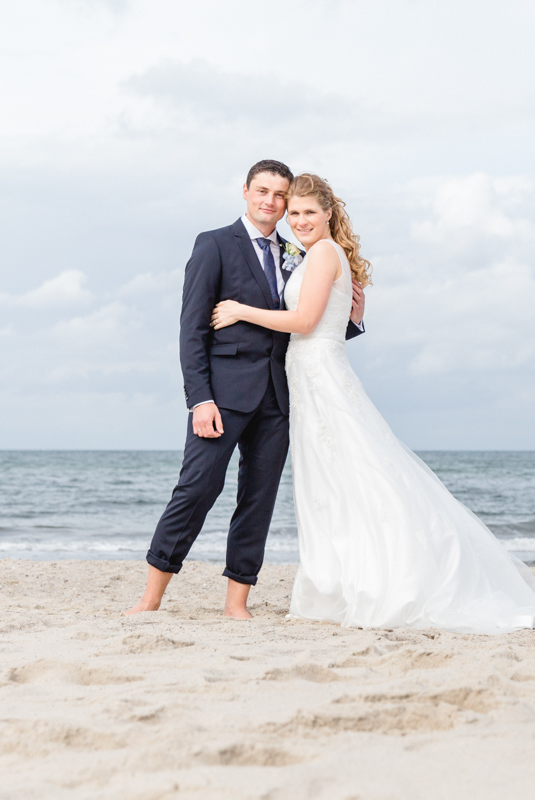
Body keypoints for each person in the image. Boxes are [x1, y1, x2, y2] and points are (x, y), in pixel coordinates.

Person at [210, 174, 535, 634]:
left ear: (329, 212)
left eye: (309, 211)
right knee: (332, 483)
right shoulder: (314, 256)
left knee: (358, 476)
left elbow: (305, 320)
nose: (300, 220)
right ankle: (339, 583)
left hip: (321, 374)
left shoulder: (325, 254)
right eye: (295, 213)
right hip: (307, 379)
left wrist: (240, 310)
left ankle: (379, 580)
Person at [125, 160, 366, 617]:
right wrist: (199, 399)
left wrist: (353, 318)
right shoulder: (214, 245)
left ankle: (237, 603)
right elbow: (191, 330)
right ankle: (150, 598)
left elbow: (309, 323)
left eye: (280, 196)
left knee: (258, 499)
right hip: (223, 395)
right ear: (245, 191)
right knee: (195, 489)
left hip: (279, 397)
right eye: (263, 191)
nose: (271, 203)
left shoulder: (299, 253)